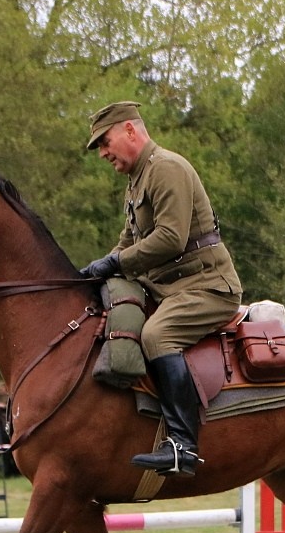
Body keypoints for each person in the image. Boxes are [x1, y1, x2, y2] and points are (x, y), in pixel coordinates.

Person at [80, 101, 243, 476]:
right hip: (171, 289)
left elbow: (171, 238)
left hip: (208, 287)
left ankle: (183, 447)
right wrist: (93, 271)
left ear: (130, 131)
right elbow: (126, 242)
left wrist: (116, 263)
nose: (103, 153)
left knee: (157, 335)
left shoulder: (166, 168)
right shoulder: (137, 180)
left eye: (105, 142)